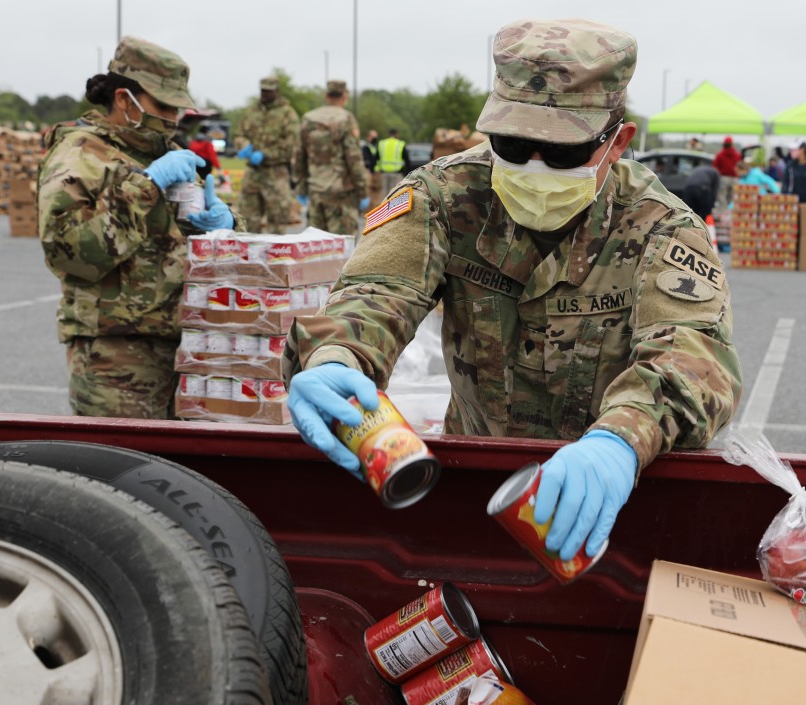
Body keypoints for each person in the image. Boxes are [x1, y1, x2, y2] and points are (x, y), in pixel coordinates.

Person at [285, 18, 742, 563]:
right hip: (476, 482)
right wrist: (336, 356)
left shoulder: (662, 228)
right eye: (513, 143)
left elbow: (693, 359)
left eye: (563, 152)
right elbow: (376, 293)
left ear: (617, 142)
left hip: (613, 497)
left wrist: (619, 441)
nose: (532, 166)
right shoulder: (441, 196)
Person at [38, 36, 235, 419]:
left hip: (187, 349)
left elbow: (181, 238)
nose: (172, 118)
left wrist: (225, 225)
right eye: (162, 105)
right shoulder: (79, 154)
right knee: (124, 471)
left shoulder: (165, 151)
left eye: (177, 108)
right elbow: (71, 253)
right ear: (125, 99)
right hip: (116, 359)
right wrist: (148, 185)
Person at [294, 80, 369, 236]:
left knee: (316, 245)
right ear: (344, 96)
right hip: (341, 193)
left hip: (315, 190)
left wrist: (301, 188)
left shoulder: (308, 118)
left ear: (326, 95)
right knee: (342, 246)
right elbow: (353, 159)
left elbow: (299, 155)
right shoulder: (346, 118)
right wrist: (362, 191)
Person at [237, 77, 301, 233]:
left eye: (268, 91)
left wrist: (265, 154)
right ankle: (250, 254)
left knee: (278, 218)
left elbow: (291, 143)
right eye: (262, 90)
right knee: (247, 217)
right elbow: (239, 134)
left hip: (276, 173)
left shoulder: (287, 113)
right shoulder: (252, 111)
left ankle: (276, 254)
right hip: (253, 172)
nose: (264, 94)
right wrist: (244, 145)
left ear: (276, 91)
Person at [375, 128, 408, 196]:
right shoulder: (400, 144)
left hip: (384, 172)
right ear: (396, 134)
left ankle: (384, 206)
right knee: (394, 193)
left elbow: (376, 158)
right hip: (396, 173)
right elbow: (406, 159)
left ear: (389, 134)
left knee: (384, 194)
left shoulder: (382, 143)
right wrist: (406, 173)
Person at [712, 136, 742, 205]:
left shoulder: (720, 154)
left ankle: (724, 211)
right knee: (733, 197)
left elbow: (715, 167)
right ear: (732, 144)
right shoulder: (737, 155)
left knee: (722, 196)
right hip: (734, 178)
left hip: (723, 178)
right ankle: (731, 211)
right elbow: (740, 166)